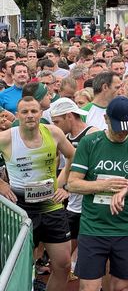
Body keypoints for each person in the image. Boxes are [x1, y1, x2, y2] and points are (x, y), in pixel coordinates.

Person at [68, 96, 128, 291]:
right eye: (118, 127)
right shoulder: (89, 142)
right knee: (89, 287)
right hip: (93, 227)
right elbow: (72, 183)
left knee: (122, 287)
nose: (123, 132)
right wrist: (103, 185)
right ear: (106, 119)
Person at [0, 96, 76, 291]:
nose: (30, 116)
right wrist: (1, 184)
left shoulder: (54, 133)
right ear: (17, 115)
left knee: (63, 265)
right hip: (22, 210)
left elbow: (73, 156)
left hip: (52, 207)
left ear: (41, 113)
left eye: (34, 111)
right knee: (18, 267)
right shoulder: (7, 137)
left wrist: (62, 185)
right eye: (24, 112)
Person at [49, 97, 99, 280]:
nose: (54, 126)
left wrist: (68, 189)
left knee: (94, 252)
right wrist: (53, 189)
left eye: (56, 122)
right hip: (73, 205)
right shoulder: (66, 138)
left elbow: (96, 172)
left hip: (90, 204)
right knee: (64, 253)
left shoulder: (93, 134)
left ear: (69, 116)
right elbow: (68, 168)